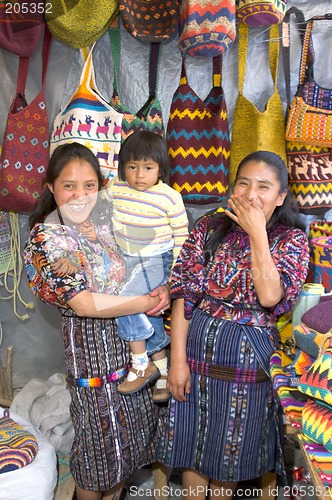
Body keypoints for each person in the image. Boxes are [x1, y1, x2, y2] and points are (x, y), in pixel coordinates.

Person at [156, 151, 310, 498]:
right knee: (194, 450)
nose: (252, 194)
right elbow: (184, 293)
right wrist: (177, 362)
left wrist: (258, 232)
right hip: (196, 356)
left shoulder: (292, 240)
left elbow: (270, 296)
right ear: (233, 187)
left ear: (281, 196)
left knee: (230, 456)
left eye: (264, 187)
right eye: (244, 182)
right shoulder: (209, 227)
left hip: (249, 365)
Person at [24, 142, 170, 500]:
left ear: (101, 186)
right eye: (69, 186)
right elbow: (85, 304)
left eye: (89, 185)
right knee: (95, 459)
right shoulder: (46, 237)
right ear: (51, 188)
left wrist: (161, 287)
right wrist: (144, 301)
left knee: (124, 456)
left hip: (131, 365)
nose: (80, 195)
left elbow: (140, 264)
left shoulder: (105, 226)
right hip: (93, 366)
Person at [105, 131, 189, 401]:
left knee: (125, 301)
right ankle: (163, 370)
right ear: (122, 167)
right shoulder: (115, 188)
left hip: (157, 260)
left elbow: (181, 237)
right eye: (132, 167)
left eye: (148, 168)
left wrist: (173, 277)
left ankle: (141, 363)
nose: (139, 175)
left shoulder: (169, 197)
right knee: (148, 310)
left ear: (161, 169)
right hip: (126, 260)